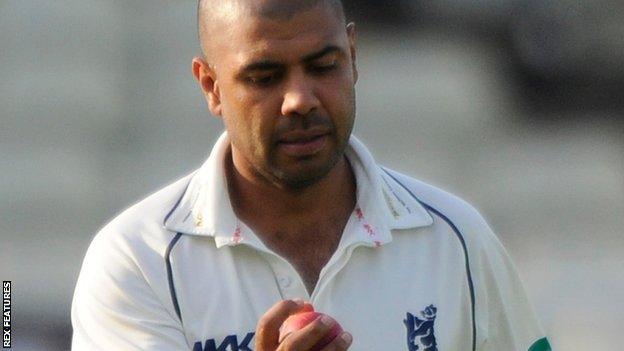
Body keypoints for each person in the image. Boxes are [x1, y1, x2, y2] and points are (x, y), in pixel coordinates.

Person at [71, 0, 552, 350]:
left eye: (323, 66)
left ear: (354, 56)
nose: (299, 99)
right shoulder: (137, 260)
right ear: (211, 86)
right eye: (264, 77)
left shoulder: (457, 238)